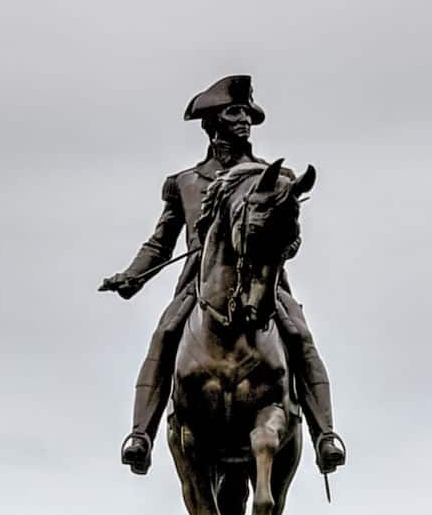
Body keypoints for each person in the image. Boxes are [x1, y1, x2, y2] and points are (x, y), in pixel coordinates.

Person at [100, 74, 345, 477]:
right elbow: (161, 243)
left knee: (300, 336)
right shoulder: (185, 183)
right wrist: (132, 277)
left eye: (247, 112)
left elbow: (289, 236)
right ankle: (140, 436)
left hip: (263, 281)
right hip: (200, 284)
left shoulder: (273, 177)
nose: (244, 120)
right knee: (164, 334)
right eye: (235, 112)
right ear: (213, 122)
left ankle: (326, 436)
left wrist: (279, 247)